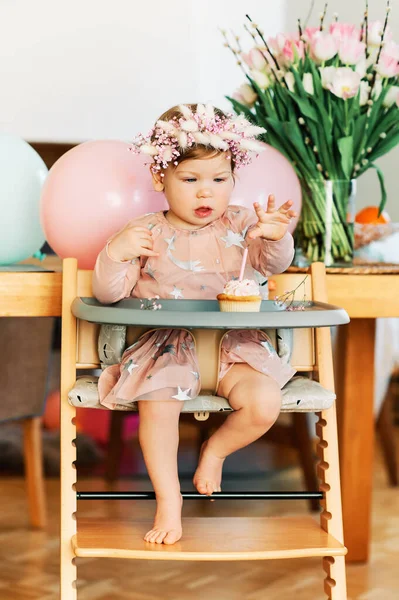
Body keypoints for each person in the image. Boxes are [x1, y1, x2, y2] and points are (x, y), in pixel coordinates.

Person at [93, 103, 297, 545]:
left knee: (264, 404)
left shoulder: (244, 224)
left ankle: (215, 450)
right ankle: (169, 498)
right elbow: (109, 293)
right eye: (190, 180)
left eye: (219, 180)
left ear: (233, 180)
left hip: (234, 347)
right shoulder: (145, 231)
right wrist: (116, 252)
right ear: (159, 178)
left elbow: (270, 264)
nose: (206, 194)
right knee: (158, 408)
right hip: (168, 348)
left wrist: (278, 238)